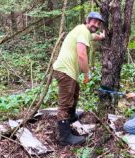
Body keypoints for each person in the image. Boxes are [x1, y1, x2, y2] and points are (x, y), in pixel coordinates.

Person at [53, 12, 105, 146]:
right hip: (66, 71)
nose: (96, 25)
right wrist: (87, 74)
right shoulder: (83, 31)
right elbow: (82, 54)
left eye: (98, 23)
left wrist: (100, 36)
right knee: (65, 103)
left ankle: (71, 118)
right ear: (87, 20)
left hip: (69, 71)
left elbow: (91, 36)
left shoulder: (82, 31)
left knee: (75, 94)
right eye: (94, 22)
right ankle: (65, 137)